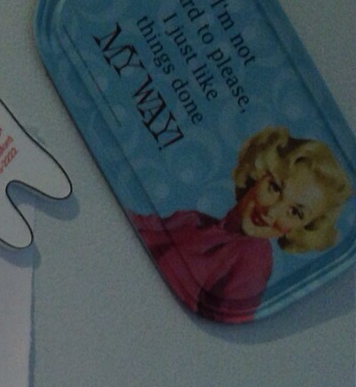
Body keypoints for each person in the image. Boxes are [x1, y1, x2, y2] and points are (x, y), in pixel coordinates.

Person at [130, 125, 351, 323]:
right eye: (275, 188)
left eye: (295, 212)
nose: (271, 212)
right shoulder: (193, 220)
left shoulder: (252, 258)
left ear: (302, 229)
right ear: (258, 172)